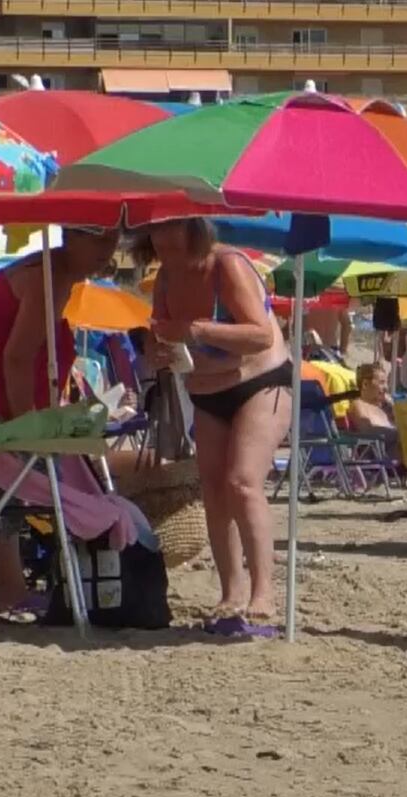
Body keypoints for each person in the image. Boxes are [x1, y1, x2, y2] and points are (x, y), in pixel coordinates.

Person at [0, 225, 120, 620]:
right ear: (71, 236)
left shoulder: (53, 272)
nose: (109, 249)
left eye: (114, 238)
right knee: (8, 473)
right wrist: (26, 426)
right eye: (99, 238)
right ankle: (10, 587)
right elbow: (17, 357)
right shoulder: (48, 277)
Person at [138, 218, 291, 637]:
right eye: (158, 230)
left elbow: (260, 335)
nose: (165, 238)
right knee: (213, 489)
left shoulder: (226, 265)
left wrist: (197, 330)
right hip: (207, 390)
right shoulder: (166, 279)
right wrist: (158, 350)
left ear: (197, 230)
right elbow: (160, 334)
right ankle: (231, 591)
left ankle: (264, 593)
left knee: (242, 482)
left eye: (175, 229)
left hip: (262, 382)